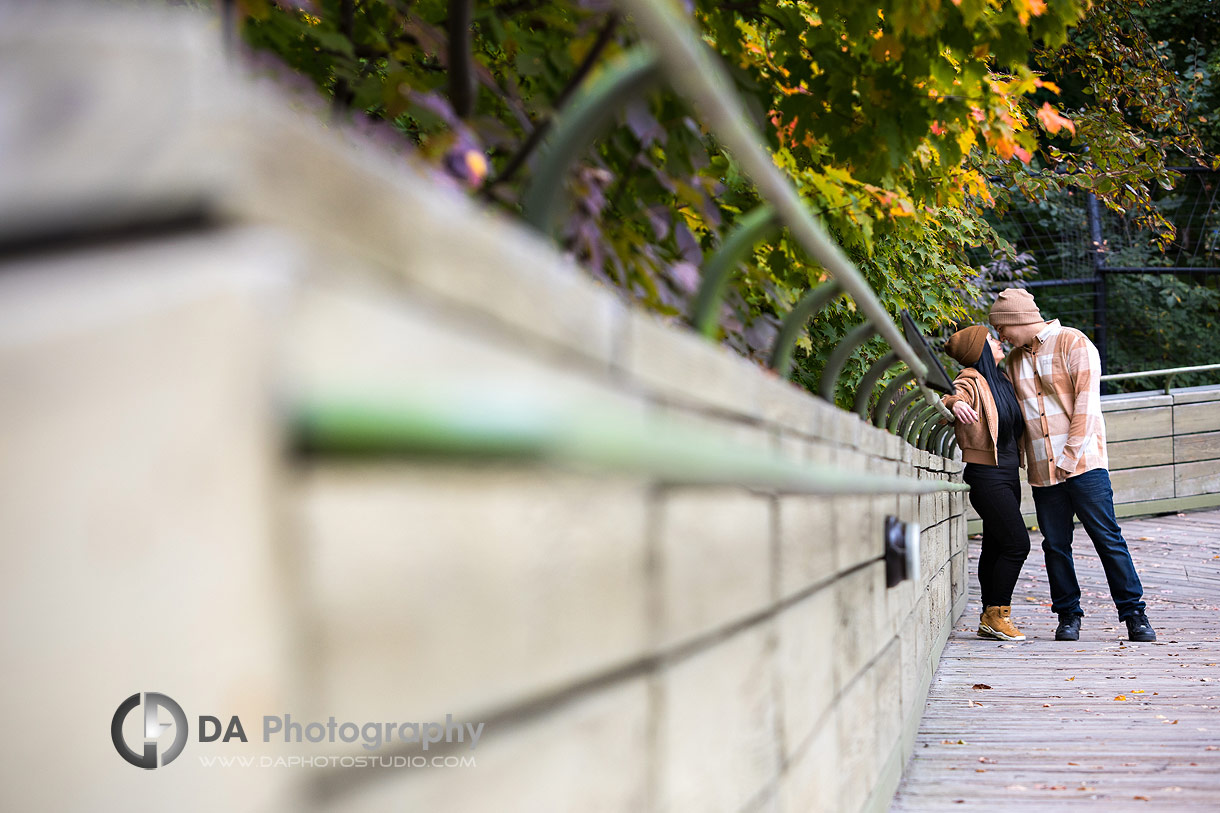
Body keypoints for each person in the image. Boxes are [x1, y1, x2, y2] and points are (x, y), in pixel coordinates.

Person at [984, 287, 1156, 643]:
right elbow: (1005, 409)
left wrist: (1068, 456)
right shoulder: (1013, 362)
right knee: (1055, 545)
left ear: (1018, 320)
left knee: (1107, 538)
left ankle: (1134, 615)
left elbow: (1087, 407)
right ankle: (1068, 616)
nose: (1002, 336)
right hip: (1043, 473)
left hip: (1084, 465)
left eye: (1003, 328)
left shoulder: (1073, 343)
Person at [942, 325, 1031, 641]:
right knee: (1017, 543)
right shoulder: (970, 379)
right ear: (978, 349)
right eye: (992, 339)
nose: (999, 342)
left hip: (1008, 474)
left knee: (996, 544)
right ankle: (997, 614)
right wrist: (954, 404)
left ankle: (989, 617)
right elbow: (948, 397)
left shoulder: (1002, 380)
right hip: (986, 474)